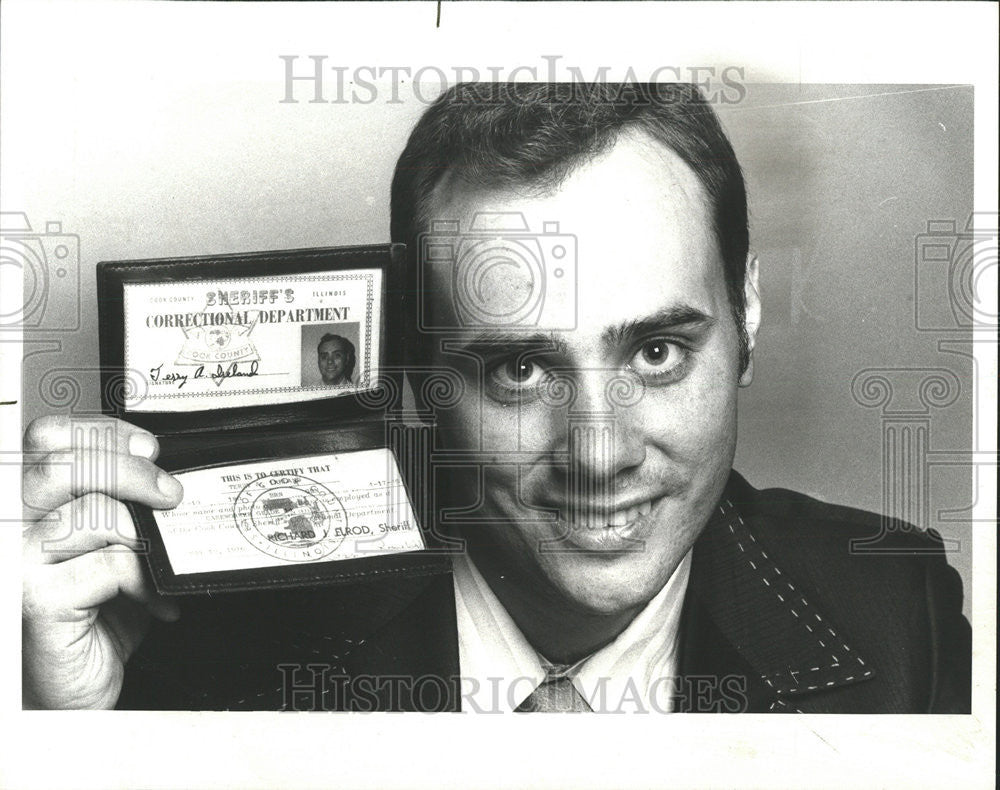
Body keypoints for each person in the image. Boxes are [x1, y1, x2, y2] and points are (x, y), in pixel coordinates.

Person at [21, 83, 971, 713]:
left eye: (656, 351)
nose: (599, 455)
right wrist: (73, 740)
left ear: (749, 312)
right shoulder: (208, 646)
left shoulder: (897, 615)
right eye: (519, 369)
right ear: (422, 376)